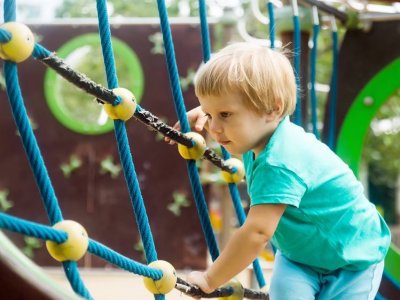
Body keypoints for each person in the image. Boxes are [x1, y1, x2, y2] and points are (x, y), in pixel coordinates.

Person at [171, 42, 391, 299]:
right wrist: (208, 112)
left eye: (225, 114)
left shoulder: (281, 161)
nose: (215, 127)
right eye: (210, 115)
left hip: (353, 259)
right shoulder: (261, 129)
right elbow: (241, 113)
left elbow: (257, 233)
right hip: (299, 259)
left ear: (273, 109)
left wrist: (210, 279)